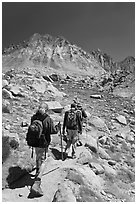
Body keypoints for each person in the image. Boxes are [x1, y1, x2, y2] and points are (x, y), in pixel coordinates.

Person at [30, 103, 60, 197]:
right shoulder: (48, 119)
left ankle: (37, 171)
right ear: (46, 110)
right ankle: (37, 180)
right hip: (43, 143)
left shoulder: (34, 117)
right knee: (44, 161)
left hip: (34, 142)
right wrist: (58, 128)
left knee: (38, 157)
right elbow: (52, 131)